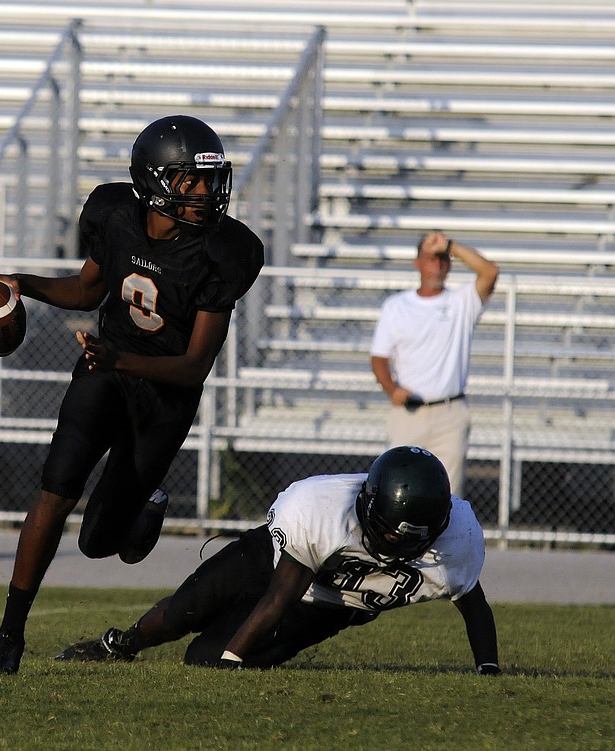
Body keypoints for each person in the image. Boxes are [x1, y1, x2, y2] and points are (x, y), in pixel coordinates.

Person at [0, 114, 264, 674]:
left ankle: (148, 502)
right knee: (55, 488)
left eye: (209, 179)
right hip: (104, 375)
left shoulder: (225, 252)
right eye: (189, 180)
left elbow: (196, 365)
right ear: (154, 181)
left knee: (103, 544)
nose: (204, 192)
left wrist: (120, 357)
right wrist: (21, 283)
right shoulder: (112, 214)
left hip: (165, 396)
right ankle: (9, 635)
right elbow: (86, 290)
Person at [56, 445, 501, 676]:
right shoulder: (322, 509)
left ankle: (217, 654)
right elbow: (278, 596)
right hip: (269, 560)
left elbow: (473, 603)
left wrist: (488, 668)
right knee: (183, 609)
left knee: (202, 659)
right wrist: (237, 657)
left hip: (325, 607)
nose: (387, 540)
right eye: (382, 529)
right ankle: (120, 644)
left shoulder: (456, 542)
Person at [370, 231, 499, 497]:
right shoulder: (396, 306)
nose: (438, 265)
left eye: (443, 259)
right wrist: (391, 389)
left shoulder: (461, 302)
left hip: (449, 414)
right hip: (409, 414)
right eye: (431, 258)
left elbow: (490, 272)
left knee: (447, 497)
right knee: (398, 492)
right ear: (417, 263)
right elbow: (379, 358)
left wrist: (450, 246)